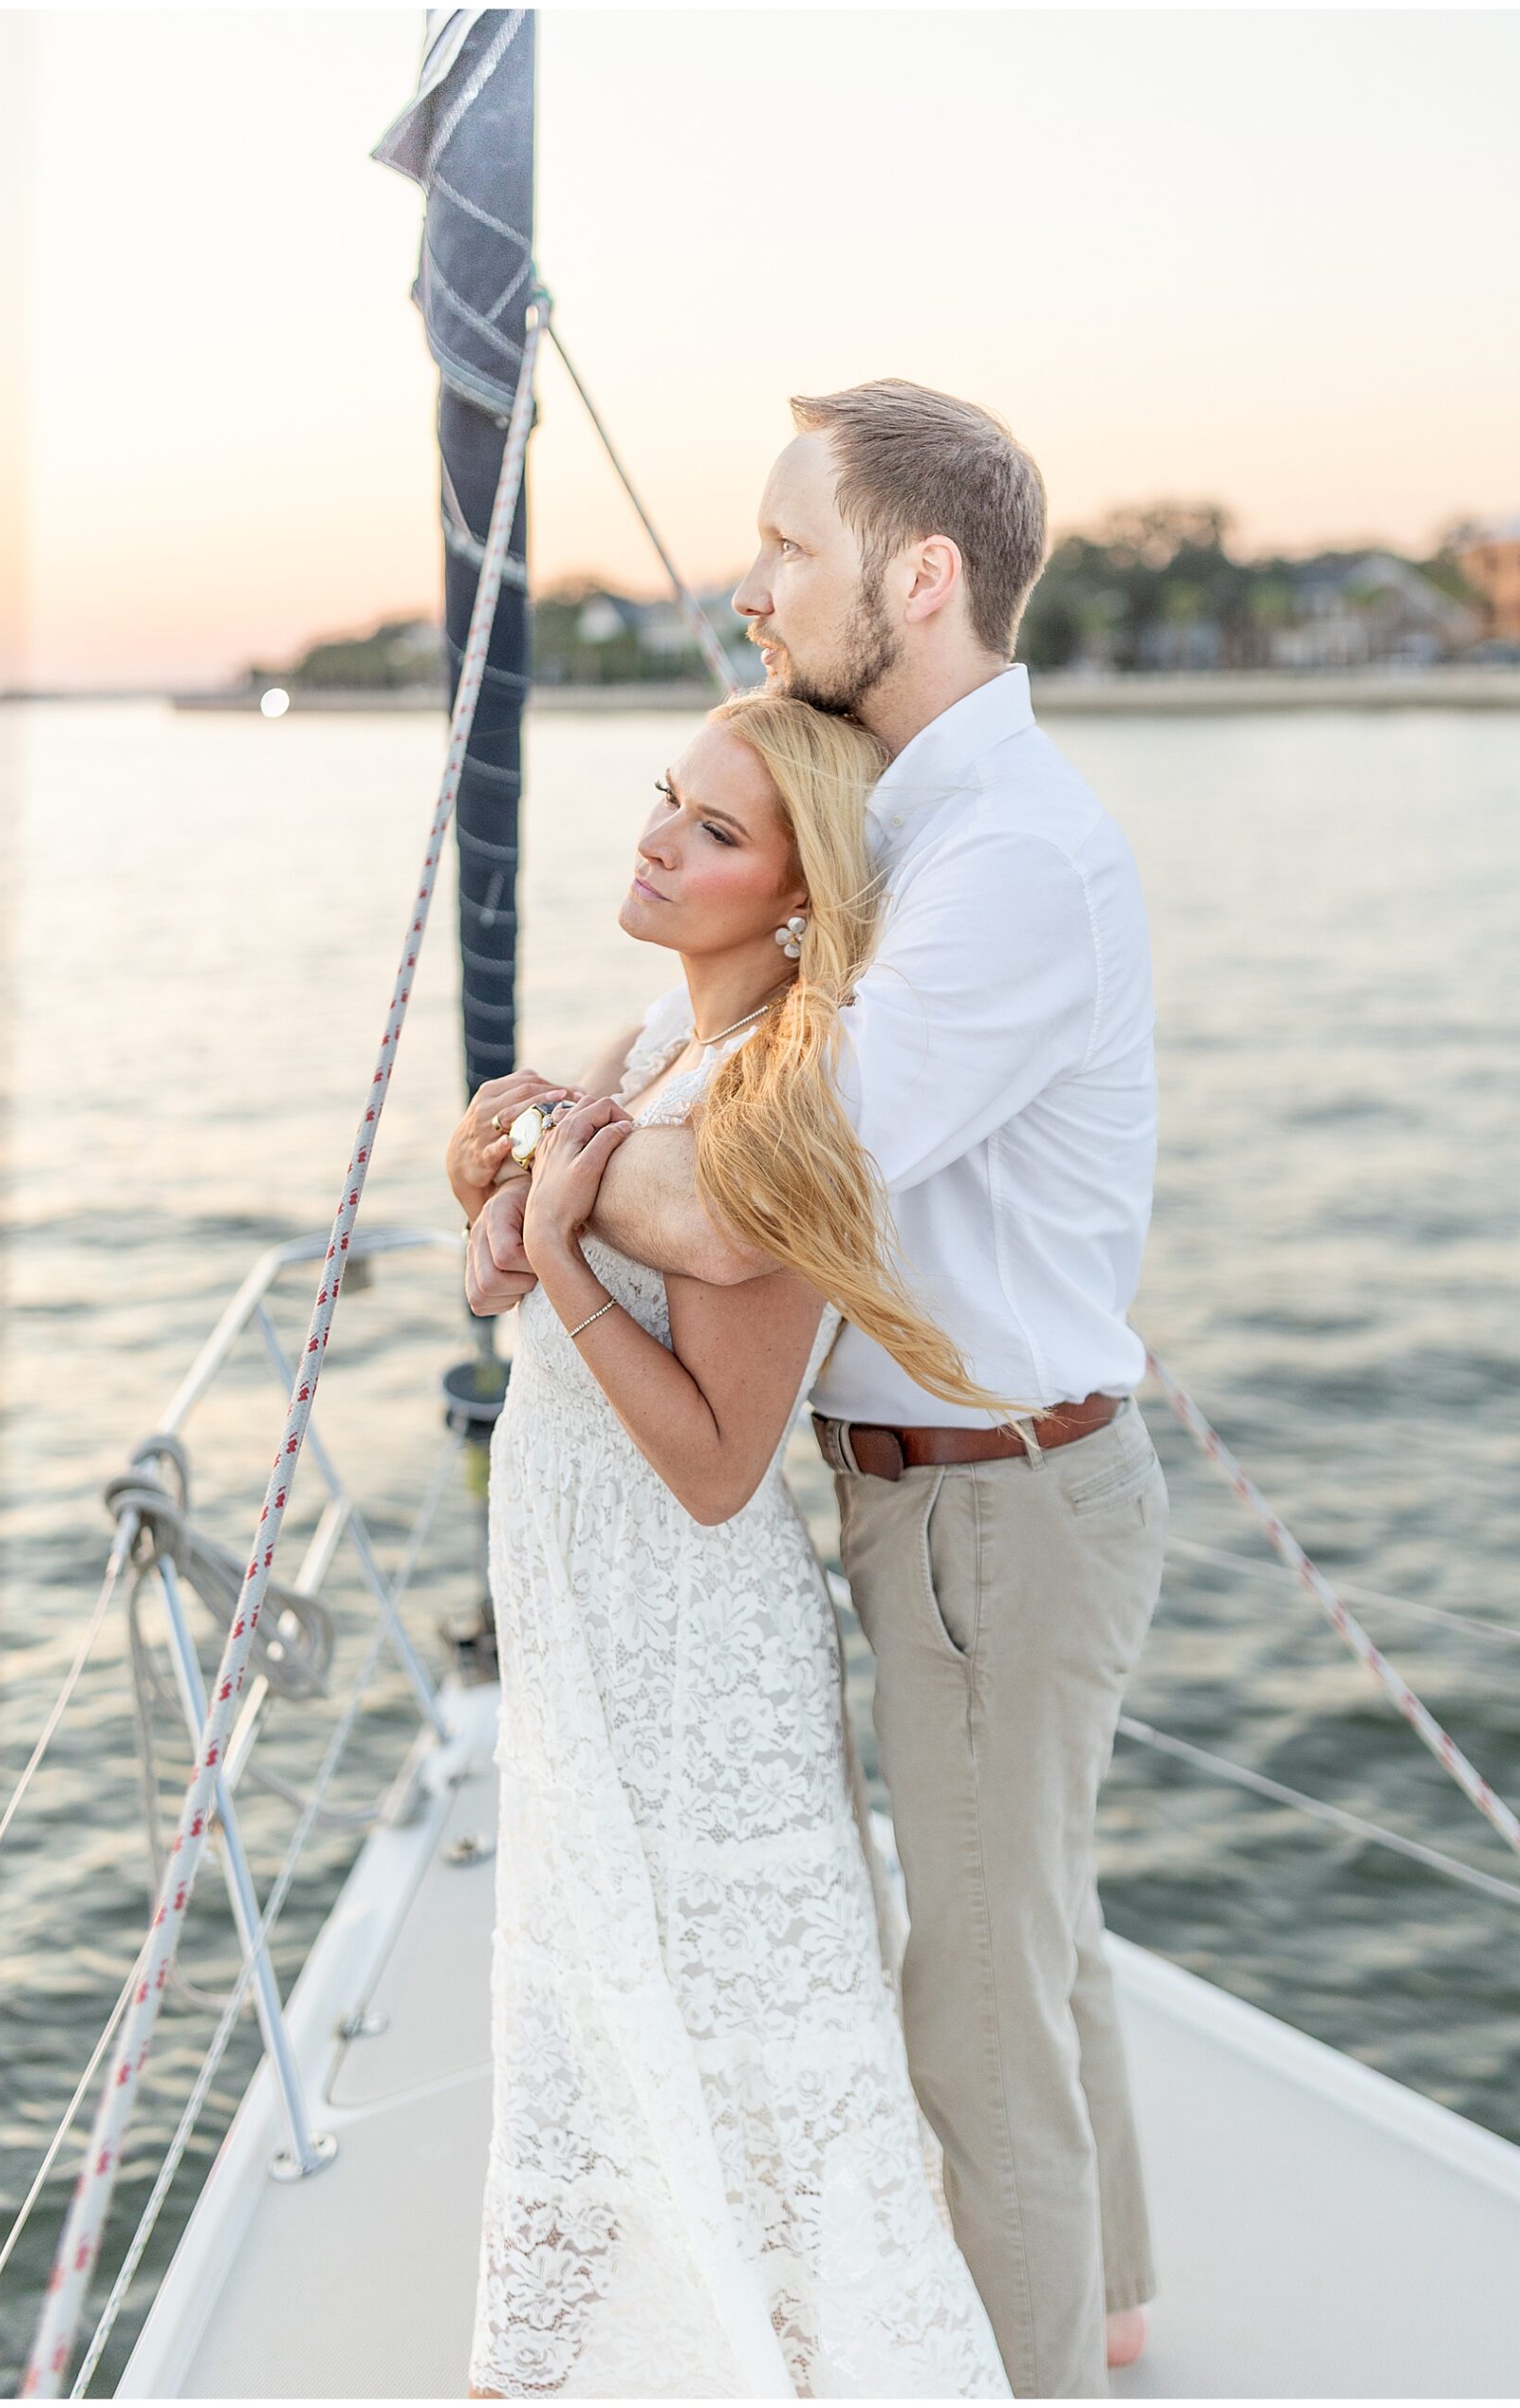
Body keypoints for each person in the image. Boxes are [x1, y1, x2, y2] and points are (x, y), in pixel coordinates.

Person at [456, 379, 1168, 2400]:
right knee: (1030, 1933)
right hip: (955, 1485)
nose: (748, 586)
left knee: (973, 2017)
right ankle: (1115, 2305)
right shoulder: (903, 823)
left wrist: (552, 1181)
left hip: (996, 1500)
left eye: (784, 546)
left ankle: (1035, 2369)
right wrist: (553, 1176)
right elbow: (715, 1151)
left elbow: (772, 1185)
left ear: (916, 576)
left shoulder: (1006, 860)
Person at [457, 689, 1012, 2399]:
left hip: (686, 1638)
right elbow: (504, 1290)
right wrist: (489, 1196)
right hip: (579, 1619)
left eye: (713, 829)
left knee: (732, 2040)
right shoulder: (638, 1053)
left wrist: (554, 1256)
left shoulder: (775, 1108)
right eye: (662, 800)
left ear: (794, 896)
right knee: (596, 2004)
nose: (655, 838)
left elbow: (717, 1466)